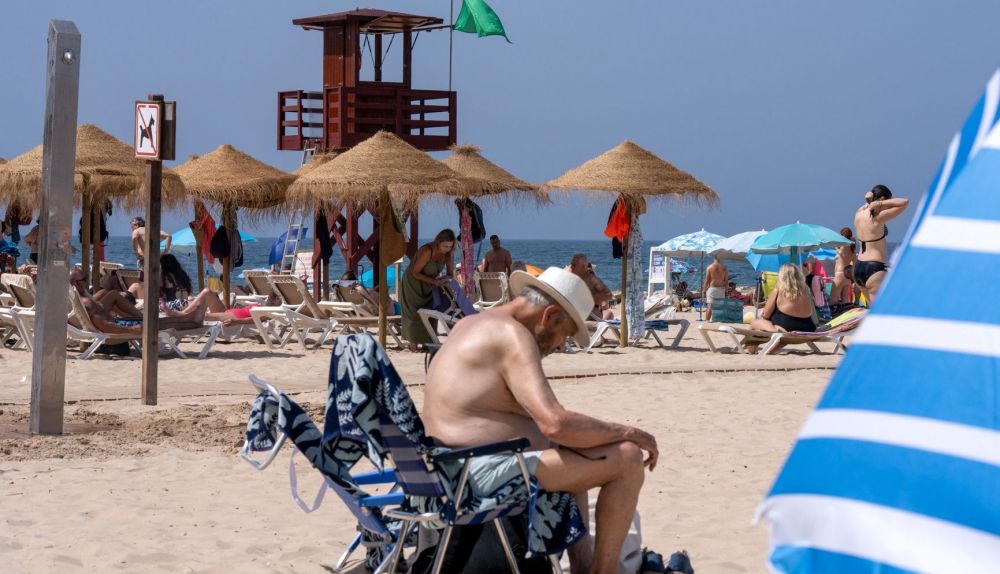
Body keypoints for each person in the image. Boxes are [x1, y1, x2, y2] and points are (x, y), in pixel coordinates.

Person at [423, 267, 657, 574]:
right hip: (473, 474)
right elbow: (555, 422)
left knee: (578, 445)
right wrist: (632, 433)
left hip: (447, 468)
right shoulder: (512, 335)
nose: (561, 345)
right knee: (626, 457)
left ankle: (582, 565)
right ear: (548, 315)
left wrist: (586, 435)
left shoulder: (472, 324)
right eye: (566, 333)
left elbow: (555, 430)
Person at [69, 268, 207, 334]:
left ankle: (191, 320)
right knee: (162, 324)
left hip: (119, 323)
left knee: (163, 322)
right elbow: (105, 325)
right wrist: (130, 329)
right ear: (76, 283)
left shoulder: (78, 298)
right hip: (120, 325)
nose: (86, 282)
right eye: (83, 279)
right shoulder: (87, 302)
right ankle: (193, 322)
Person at [399, 229, 456, 352]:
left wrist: (444, 279)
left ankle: (427, 343)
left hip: (430, 285)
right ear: (438, 242)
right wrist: (434, 281)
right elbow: (415, 272)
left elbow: (451, 274)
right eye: (445, 246)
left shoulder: (449, 254)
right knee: (414, 313)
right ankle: (413, 345)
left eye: (450, 246)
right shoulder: (427, 251)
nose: (447, 248)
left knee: (430, 311)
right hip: (413, 283)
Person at [852, 185, 909, 304]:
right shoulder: (878, 217)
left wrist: (871, 200)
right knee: (877, 312)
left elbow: (868, 203)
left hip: (858, 267)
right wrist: (881, 204)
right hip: (874, 267)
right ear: (883, 199)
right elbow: (904, 202)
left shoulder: (859, 213)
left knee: (870, 312)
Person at [748, 263, 816, 353]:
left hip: (786, 331)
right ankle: (771, 351)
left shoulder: (778, 291)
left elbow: (765, 315)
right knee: (780, 332)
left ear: (782, 276)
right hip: (808, 329)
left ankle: (751, 353)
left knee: (754, 323)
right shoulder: (807, 292)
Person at [568, 253, 613, 320]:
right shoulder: (570, 277)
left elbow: (608, 295)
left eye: (573, 265)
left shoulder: (590, 279)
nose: (571, 266)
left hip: (587, 312)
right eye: (571, 264)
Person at [831, 227, 856, 305]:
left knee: (833, 299)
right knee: (845, 300)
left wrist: (835, 247)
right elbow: (854, 262)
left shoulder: (843, 245)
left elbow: (841, 253)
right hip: (847, 276)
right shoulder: (852, 248)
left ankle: (829, 316)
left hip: (839, 274)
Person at [702, 256, 729, 321]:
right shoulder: (724, 268)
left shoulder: (710, 267)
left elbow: (707, 280)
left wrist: (704, 291)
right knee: (720, 307)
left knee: (710, 307)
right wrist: (726, 291)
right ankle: (719, 321)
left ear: (714, 258)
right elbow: (726, 281)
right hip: (721, 289)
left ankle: (707, 321)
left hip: (712, 289)